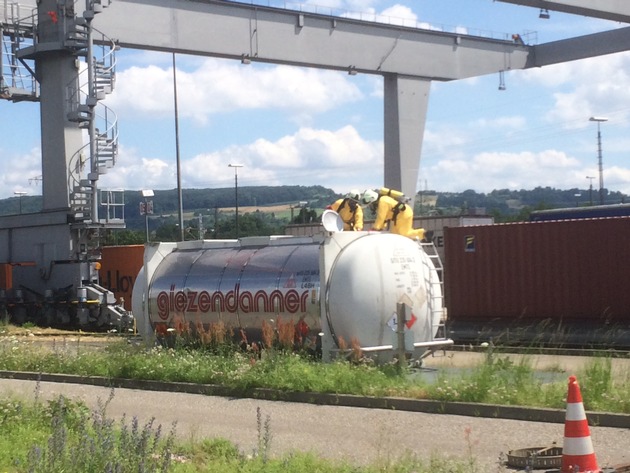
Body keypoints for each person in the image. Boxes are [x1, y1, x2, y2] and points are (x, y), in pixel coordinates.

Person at [361, 188, 426, 240]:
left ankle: (423, 233)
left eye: (371, 204)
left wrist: (375, 228)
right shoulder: (383, 200)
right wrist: (381, 227)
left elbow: (381, 218)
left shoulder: (383, 201)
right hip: (399, 216)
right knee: (395, 235)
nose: (371, 206)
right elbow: (385, 219)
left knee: (404, 234)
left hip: (403, 214)